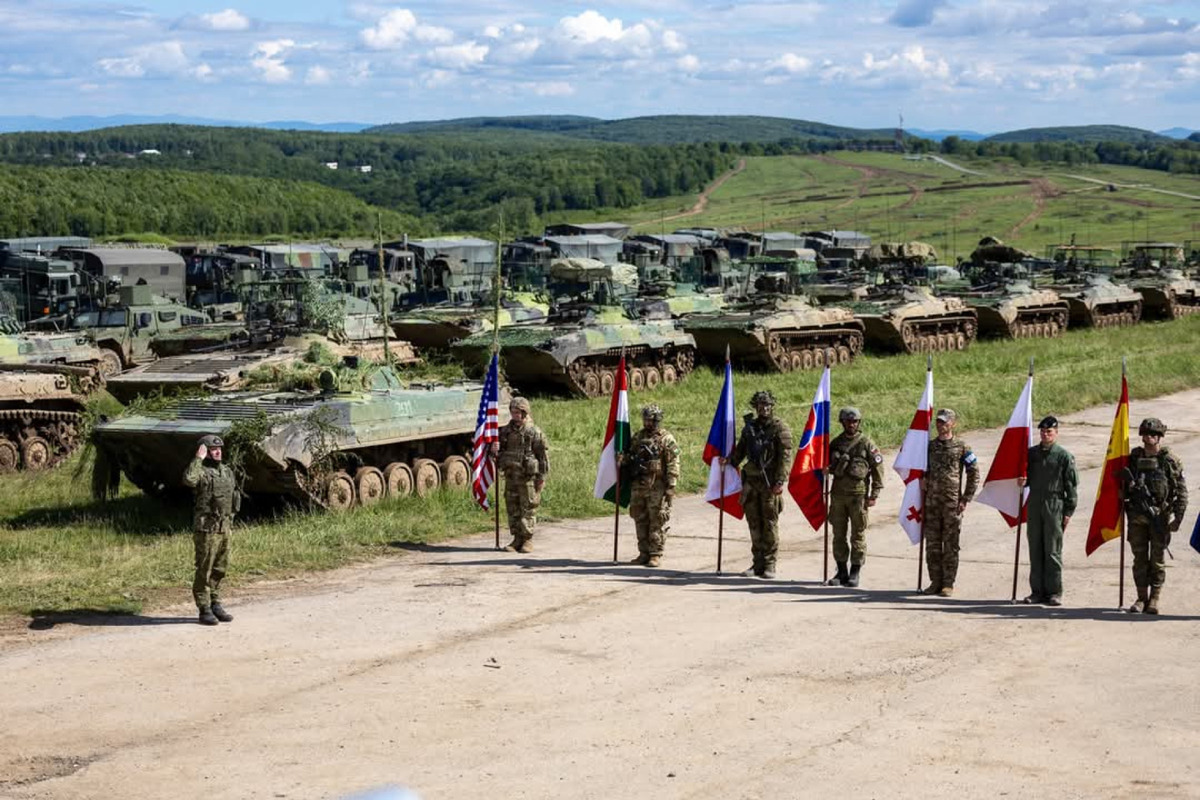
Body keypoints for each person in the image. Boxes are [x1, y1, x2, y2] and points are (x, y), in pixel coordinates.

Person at [1123, 417, 1188, 615]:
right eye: (1145, 434)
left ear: (1160, 437)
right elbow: (1122, 487)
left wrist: (1178, 518)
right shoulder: (1133, 459)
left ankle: (1155, 598)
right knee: (1139, 559)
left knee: (1157, 560)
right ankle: (1141, 597)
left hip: (1160, 518)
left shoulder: (1169, 461)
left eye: (1153, 434)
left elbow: (1181, 491)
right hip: (1136, 518)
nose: (1149, 437)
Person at [726, 390, 793, 578]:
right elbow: (740, 451)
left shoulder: (780, 428)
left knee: (769, 523)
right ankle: (757, 563)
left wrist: (780, 481)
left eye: (767, 405)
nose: (764, 408)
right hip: (751, 483)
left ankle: (770, 563)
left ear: (772, 407)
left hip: (769, 482)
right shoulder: (749, 428)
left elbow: (785, 458)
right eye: (760, 405)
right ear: (755, 407)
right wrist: (729, 462)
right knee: (754, 523)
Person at [1018, 416, 1078, 606]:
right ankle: (1037, 592)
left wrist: (1068, 512)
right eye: (1043, 431)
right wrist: (1022, 481)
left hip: (1055, 504)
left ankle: (1054, 592)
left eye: (1049, 431)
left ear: (1056, 433)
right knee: (1035, 548)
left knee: (1052, 550)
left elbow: (1072, 487)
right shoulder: (1032, 453)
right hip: (1035, 503)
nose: (1045, 434)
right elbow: (1027, 476)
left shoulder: (1063, 456)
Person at [183, 433, 240, 626]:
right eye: (213, 449)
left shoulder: (226, 471)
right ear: (206, 452)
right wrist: (198, 458)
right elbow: (189, 479)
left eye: (219, 448)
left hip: (224, 526)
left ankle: (215, 603)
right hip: (206, 527)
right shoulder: (201, 471)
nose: (218, 451)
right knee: (204, 568)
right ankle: (204, 608)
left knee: (220, 567)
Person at [922, 408, 979, 597]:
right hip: (932, 504)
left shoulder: (962, 447)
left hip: (951, 504)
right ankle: (934, 582)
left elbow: (974, 473)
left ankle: (948, 583)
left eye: (945, 422)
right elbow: (921, 469)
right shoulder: (929, 447)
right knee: (932, 545)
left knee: (951, 545)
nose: (941, 426)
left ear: (953, 423)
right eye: (938, 422)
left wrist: (966, 498)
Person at [827, 407, 884, 587]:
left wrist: (874, 494)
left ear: (859, 423)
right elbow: (827, 466)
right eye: (848, 421)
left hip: (858, 497)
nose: (851, 424)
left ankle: (855, 571)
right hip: (837, 495)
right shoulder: (835, 443)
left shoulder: (867, 444)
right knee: (838, 534)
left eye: (854, 421)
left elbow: (878, 471)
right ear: (842, 422)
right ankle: (841, 571)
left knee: (857, 534)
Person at [623, 404, 680, 568]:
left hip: (657, 485)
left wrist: (671, 486)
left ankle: (655, 554)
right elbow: (630, 455)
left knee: (656, 520)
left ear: (657, 420)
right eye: (645, 419)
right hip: (639, 484)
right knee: (639, 518)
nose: (647, 423)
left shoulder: (666, 439)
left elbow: (673, 462)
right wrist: (623, 459)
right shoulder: (638, 437)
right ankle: (643, 552)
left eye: (650, 420)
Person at [491, 396, 549, 553]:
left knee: (528, 508)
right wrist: (494, 450)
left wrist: (541, 478)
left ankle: (527, 539)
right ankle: (517, 538)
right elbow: (498, 454)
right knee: (512, 508)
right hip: (511, 476)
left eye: (518, 412)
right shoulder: (505, 432)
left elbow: (542, 458)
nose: (515, 415)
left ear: (525, 413)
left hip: (527, 478)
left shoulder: (533, 432)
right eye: (513, 412)